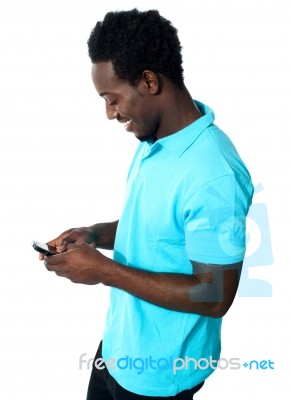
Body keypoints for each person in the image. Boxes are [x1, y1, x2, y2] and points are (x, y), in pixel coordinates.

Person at [40, 8, 254, 399]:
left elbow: (215, 295)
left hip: (157, 375)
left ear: (149, 81)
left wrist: (104, 271)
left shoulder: (215, 175)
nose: (109, 113)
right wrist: (93, 234)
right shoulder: (155, 141)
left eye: (112, 98)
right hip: (117, 348)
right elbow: (155, 228)